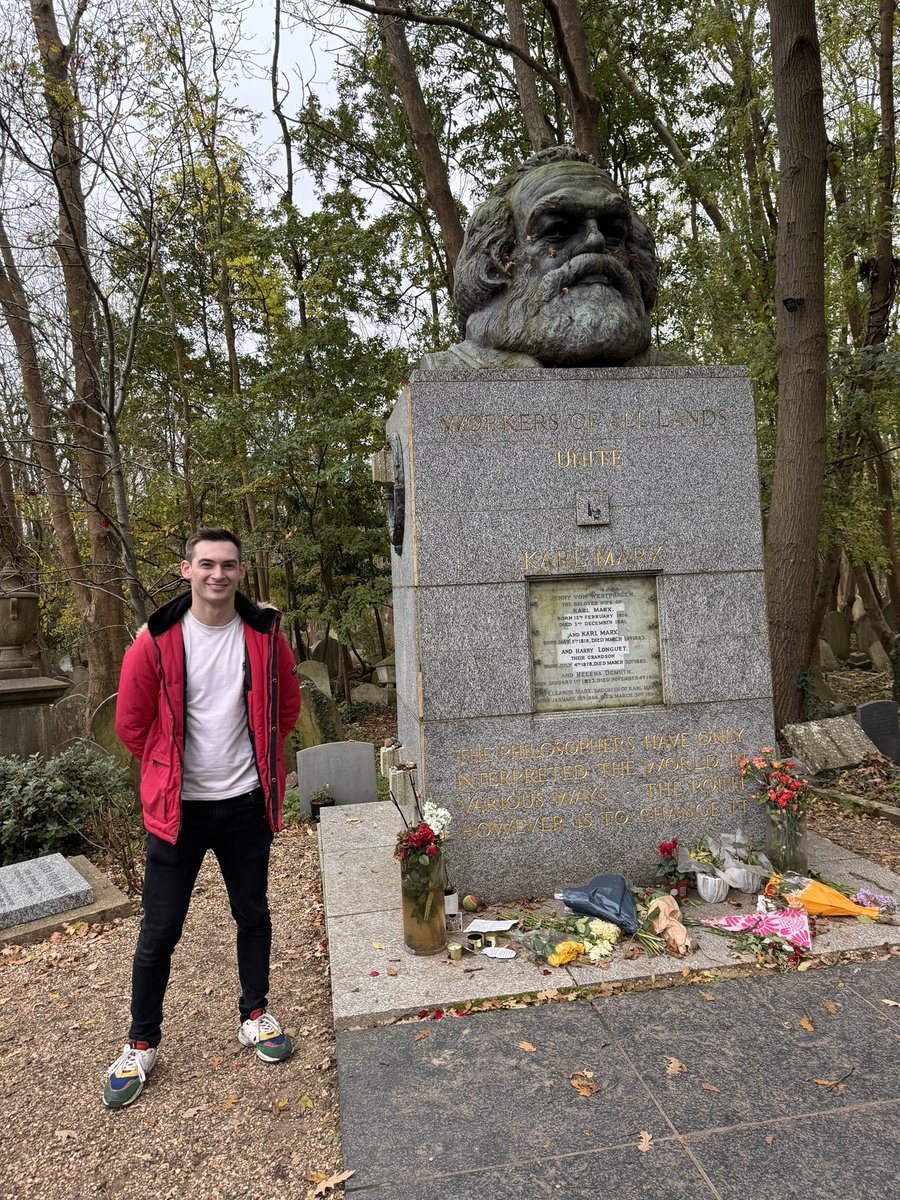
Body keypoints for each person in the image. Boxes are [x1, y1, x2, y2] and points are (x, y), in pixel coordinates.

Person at [104, 527, 302, 1109]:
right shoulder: (156, 642)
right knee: (159, 930)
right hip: (178, 812)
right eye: (207, 564)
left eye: (229, 565)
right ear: (186, 570)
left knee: (253, 912)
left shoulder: (264, 635)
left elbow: (285, 707)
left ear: (241, 573)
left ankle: (256, 1014)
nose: (218, 575)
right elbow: (131, 725)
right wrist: (171, 770)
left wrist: (252, 763)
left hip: (245, 804)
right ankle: (141, 1042)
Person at [420, 146, 662, 369]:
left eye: (613, 232)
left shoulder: (677, 373)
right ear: (496, 263)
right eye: (558, 230)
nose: (595, 240)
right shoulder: (446, 371)